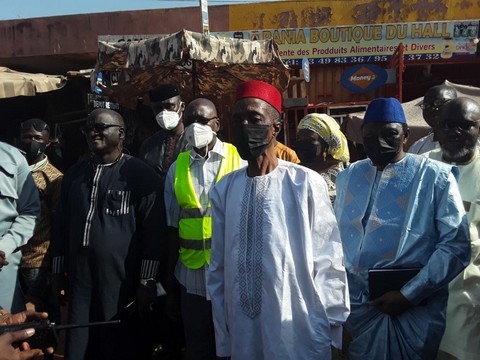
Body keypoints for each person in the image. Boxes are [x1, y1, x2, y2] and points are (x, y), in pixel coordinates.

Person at [207, 80, 349, 359]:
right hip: (241, 331)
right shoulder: (224, 188)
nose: (245, 125)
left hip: (298, 326)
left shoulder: (304, 182)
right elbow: (218, 268)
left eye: (254, 118)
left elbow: (328, 259)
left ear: (276, 127)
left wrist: (335, 329)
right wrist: (223, 340)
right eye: (238, 119)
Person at [334, 97, 471, 359]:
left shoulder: (435, 176)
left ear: (405, 134)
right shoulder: (348, 175)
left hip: (413, 308)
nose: (379, 141)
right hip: (358, 307)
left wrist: (409, 295)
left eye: (390, 133)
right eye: (370, 135)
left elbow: (456, 245)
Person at [51, 109, 166, 360]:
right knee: (80, 342)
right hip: (80, 281)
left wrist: (147, 281)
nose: (94, 132)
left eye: (101, 127)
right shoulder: (74, 175)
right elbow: (60, 225)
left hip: (122, 281)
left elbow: (154, 233)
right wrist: (58, 271)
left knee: (119, 344)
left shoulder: (141, 176)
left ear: (121, 133)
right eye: (89, 128)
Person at [164, 98, 245, 360]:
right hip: (192, 278)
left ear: (217, 124)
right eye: (189, 122)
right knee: (199, 348)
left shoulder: (241, 161)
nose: (195, 127)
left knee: (237, 346)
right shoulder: (177, 169)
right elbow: (171, 227)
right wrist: (169, 287)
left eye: (202, 120)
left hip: (233, 275)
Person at [426, 97, 480, 360]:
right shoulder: (420, 166)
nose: (454, 133)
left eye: (465, 126)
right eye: (447, 125)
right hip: (418, 301)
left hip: (469, 302)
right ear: (436, 129)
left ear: (478, 128)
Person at [16, 119, 63, 323]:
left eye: (37, 138)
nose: (32, 142)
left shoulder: (54, 178)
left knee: (40, 313)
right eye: (27, 138)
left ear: (48, 142)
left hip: (38, 260)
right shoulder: (11, 172)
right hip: (10, 257)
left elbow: (58, 222)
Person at [0, 141, 40, 313]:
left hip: (4, 267)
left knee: (9, 331)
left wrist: (4, 247)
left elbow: (30, 212)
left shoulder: (12, 157)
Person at [139, 83, 189, 188]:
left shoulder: (194, 141)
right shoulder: (148, 146)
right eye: (158, 108)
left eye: (169, 106)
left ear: (182, 106)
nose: (163, 113)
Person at [295, 113, 350, 204]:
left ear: (326, 144)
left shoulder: (345, 171)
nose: (302, 144)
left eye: (310, 140)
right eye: (299, 139)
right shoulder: (291, 172)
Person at [408, 84, 457, 154]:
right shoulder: (417, 148)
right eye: (426, 105)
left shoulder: (471, 145)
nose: (432, 109)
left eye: (439, 102)